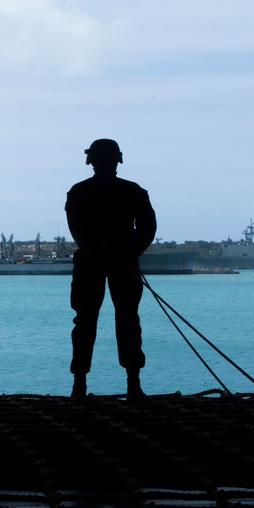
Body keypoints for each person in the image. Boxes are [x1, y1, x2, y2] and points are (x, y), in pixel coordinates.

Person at [65, 139, 156, 401]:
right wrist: (126, 250)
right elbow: (147, 228)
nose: (104, 166)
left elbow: (78, 229)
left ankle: (83, 386)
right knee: (114, 320)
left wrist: (121, 250)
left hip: (107, 261)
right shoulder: (133, 191)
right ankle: (129, 386)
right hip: (113, 261)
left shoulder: (80, 192)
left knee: (98, 321)